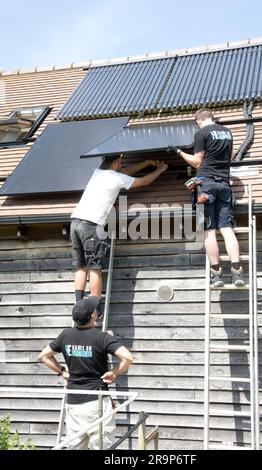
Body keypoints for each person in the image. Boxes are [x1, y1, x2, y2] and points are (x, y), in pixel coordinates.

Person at [70, 156, 168, 315]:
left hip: (75, 222)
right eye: (120, 162)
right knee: (95, 267)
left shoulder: (98, 173)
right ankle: (95, 309)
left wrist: (146, 161)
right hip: (91, 225)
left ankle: (78, 305)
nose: (122, 165)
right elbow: (143, 182)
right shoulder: (116, 178)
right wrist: (159, 169)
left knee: (81, 266)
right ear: (115, 163)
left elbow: (126, 171)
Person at [39, 296, 133, 450]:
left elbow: (43, 355)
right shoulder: (102, 338)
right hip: (97, 402)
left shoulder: (65, 335)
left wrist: (62, 372)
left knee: (75, 446)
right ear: (92, 316)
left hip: (74, 403)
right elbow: (128, 357)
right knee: (102, 447)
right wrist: (114, 372)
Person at [170, 108, 245, 287]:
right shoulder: (227, 132)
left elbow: (197, 162)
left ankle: (216, 275)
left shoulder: (201, 133)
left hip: (206, 185)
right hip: (224, 185)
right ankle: (237, 273)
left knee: (209, 230)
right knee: (227, 228)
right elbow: (231, 156)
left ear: (198, 122)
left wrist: (178, 151)